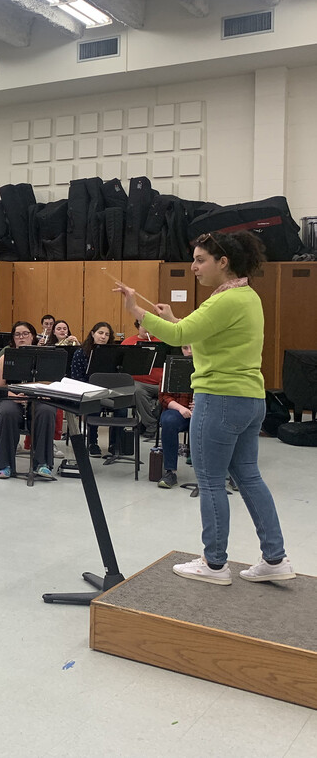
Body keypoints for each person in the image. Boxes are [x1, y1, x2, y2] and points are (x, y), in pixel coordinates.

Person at [116, 230, 295, 585]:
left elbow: (180, 337)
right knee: (249, 477)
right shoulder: (247, 296)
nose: (194, 267)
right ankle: (275, 557)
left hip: (219, 400)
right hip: (249, 399)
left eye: (200, 260)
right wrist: (174, 318)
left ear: (222, 262)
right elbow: (201, 335)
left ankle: (214, 565)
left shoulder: (222, 301)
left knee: (211, 482)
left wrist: (138, 311)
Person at [0, 321, 57, 481]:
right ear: (13, 339)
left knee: (47, 410)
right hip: (12, 397)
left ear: (33, 336)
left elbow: (51, 383)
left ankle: (43, 463)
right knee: (7, 412)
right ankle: (4, 464)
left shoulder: (45, 357)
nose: (21, 337)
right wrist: (13, 395)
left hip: (37, 398)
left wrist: (41, 393)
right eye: (17, 334)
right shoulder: (5, 357)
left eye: (25, 333)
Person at [69, 321, 118, 457]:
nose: (103, 337)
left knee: (122, 407)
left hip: (108, 392)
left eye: (107, 334)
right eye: (100, 333)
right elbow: (76, 378)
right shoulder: (80, 353)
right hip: (87, 391)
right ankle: (92, 443)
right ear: (92, 334)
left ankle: (115, 444)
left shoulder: (114, 354)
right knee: (94, 404)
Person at [157, 345, 194, 489]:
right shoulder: (171, 367)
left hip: (203, 410)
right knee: (168, 421)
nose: (189, 351)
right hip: (178, 410)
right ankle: (170, 472)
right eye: (185, 348)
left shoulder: (208, 367)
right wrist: (181, 408)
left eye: (193, 347)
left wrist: (202, 404)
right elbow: (164, 396)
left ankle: (227, 474)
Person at [120, 319, 164, 439]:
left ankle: (146, 422)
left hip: (161, 384)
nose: (147, 328)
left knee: (169, 395)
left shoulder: (164, 343)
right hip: (140, 384)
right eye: (144, 325)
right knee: (138, 391)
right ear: (138, 326)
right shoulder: (128, 342)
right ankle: (151, 425)